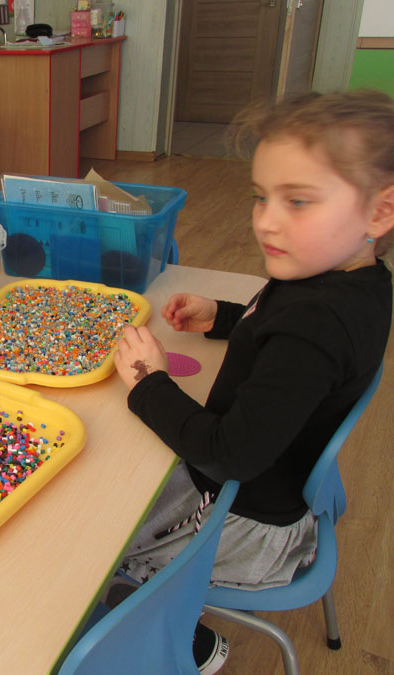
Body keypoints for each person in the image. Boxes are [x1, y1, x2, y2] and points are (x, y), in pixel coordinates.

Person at [112, 90, 394, 673]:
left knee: (96, 537)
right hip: (265, 486)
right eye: (261, 197)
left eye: (298, 201)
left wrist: (149, 384)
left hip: (239, 518)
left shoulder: (319, 323)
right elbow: (280, 333)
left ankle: (185, 642)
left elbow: (230, 454)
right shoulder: (345, 279)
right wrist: (223, 317)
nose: (266, 220)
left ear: (379, 213)